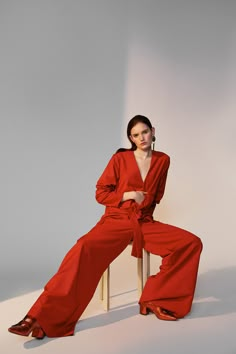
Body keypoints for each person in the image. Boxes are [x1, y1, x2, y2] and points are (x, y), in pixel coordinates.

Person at [8, 115, 202, 339]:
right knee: (82, 249)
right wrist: (128, 195)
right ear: (130, 137)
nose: (141, 138)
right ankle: (39, 318)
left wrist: (143, 217)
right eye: (136, 135)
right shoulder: (120, 159)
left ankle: (157, 299)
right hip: (116, 220)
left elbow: (156, 196)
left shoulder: (163, 159)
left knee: (190, 243)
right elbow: (101, 193)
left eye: (145, 132)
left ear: (153, 130)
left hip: (143, 222)